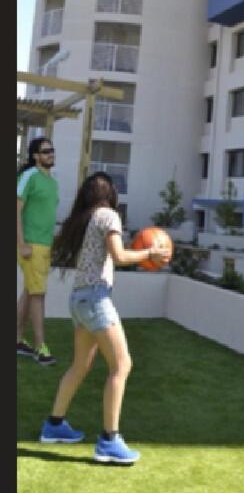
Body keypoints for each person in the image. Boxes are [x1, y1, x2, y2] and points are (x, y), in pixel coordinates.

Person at [39, 172, 171, 464]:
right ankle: (109, 441)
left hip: (79, 299)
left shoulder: (85, 219)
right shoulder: (109, 216)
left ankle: (54, 424)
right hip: (95, 298)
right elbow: (120, 256)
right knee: (122, 365)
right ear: (110, 194)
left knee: (80, 366)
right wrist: (150, 252)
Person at [17, 136, 59, 365]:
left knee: (30, 292)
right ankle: (41, 347)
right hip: (30, 246)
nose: (51, 154)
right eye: (45, 151)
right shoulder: (29, 176)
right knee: (38, 295)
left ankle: (16, 339)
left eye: (52, 150)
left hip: (45, 245)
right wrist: (21, 243)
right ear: (35, 156)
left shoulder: (52, 182)